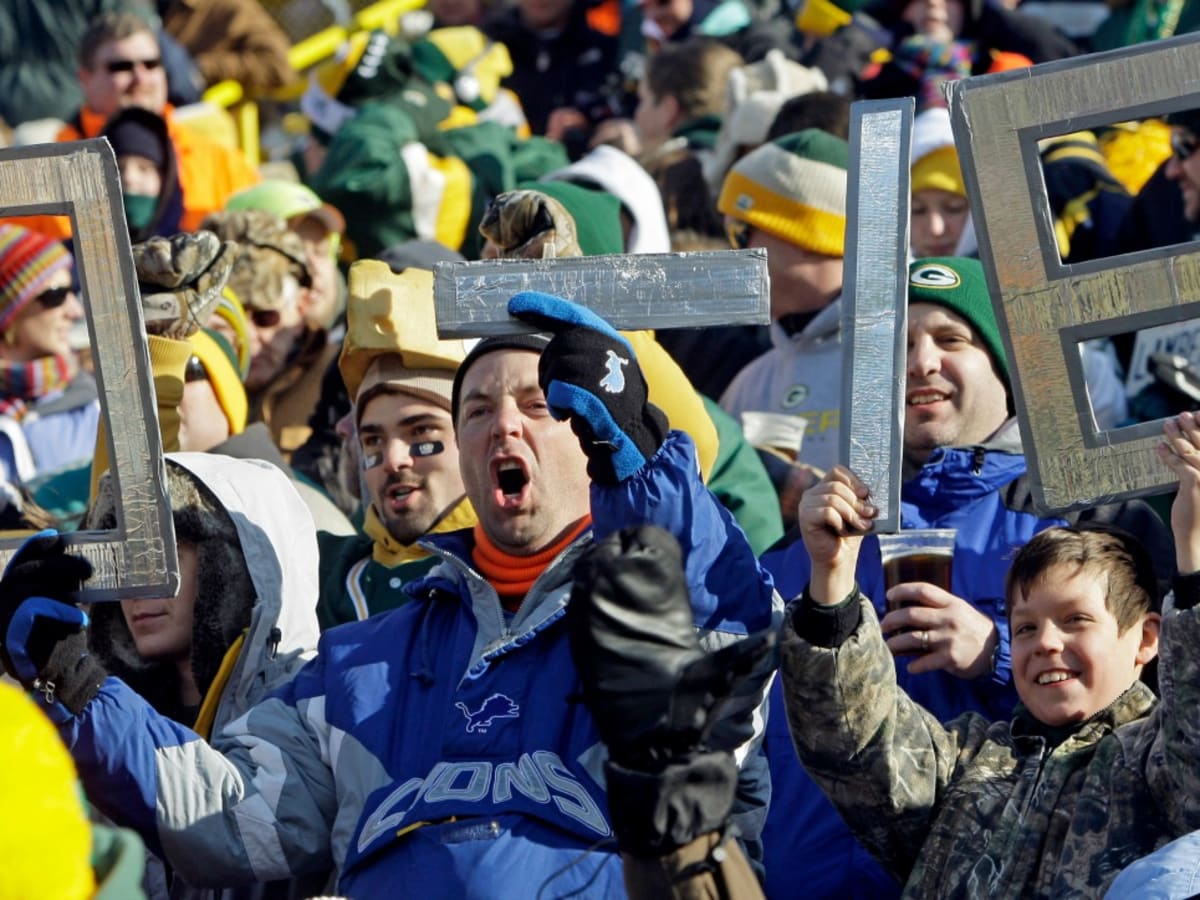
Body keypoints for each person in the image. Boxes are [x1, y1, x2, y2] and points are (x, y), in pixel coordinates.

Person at [0, 293, 778, 896]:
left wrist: (645, 471)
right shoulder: (358, 662)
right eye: (475, 411)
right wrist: (73, 679)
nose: (503, 425)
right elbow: (228, 814)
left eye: (538, 405)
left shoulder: (650, 625)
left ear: (588, 431)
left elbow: (727, 650)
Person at [758, 255, 1176, 898]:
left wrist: (1001, 652)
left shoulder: (1086, 521)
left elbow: (1172, 711)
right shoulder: (815, 541)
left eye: (951, 340)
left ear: (1006, 370)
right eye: (899, 346)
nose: (921, 362)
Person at [779, 409, 1200, 896]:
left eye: (1075, 621)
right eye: (1023, 628)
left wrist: (1192, 553)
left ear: (1148, 639)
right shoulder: (966, 761)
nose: (1044, 642)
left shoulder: (1158, 763)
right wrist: (832, 577)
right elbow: (854, 744)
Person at [84, 452, 325, 898]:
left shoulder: (316, 703)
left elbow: (240, 827)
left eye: (166, 549)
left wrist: (79, 692)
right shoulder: (99, 723)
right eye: (125, 555)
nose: (139, 581)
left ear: (229, 566)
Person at [34, 10, 259, 238]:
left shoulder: (221, 162)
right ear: (85, 79)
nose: (140, 79)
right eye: (121, 67)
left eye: (151, 64)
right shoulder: (43, 177)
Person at [717, 128, 848, 476]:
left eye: (739, 234)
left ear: (808, 236)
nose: (733, 254)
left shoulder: (904, 357)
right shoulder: (751, 381)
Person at [0, 225, 97, 488]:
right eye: (56, 295)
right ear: (8, 311)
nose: (75, 311)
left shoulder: (97, 407)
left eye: (72, 291)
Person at [102, 105, 184, 243]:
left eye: (144, 168)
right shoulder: (69, 259)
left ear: (165, 179)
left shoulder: (190, 254)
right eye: (118, 168)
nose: (129, 178)